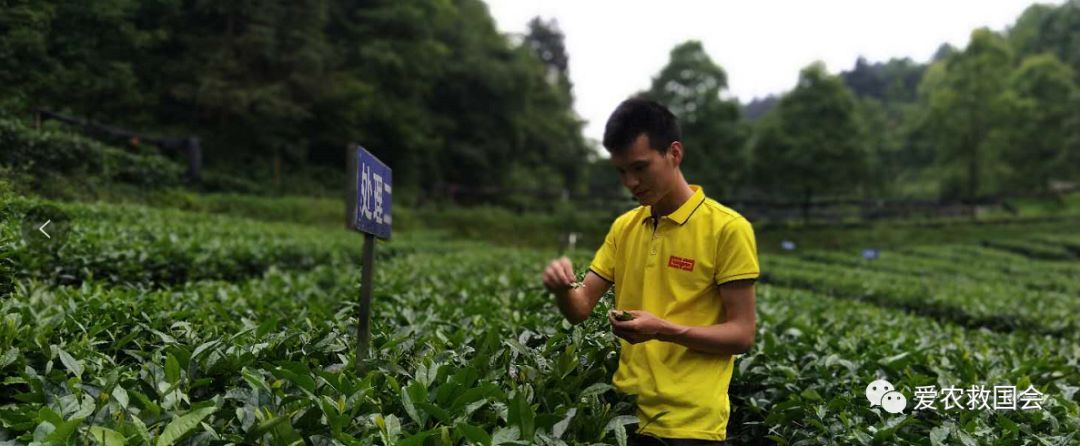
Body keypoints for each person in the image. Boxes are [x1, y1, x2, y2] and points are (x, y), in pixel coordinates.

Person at [541, 97, 759, 445]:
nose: (630, 182)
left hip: (690, 427)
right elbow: (580, 308)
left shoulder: (727, 229)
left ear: (674, 153)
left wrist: (663, 330)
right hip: (625, 418)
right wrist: (561, 289)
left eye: (640, 168)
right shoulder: (624, 228)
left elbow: (741, 334)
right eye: (622, 171)